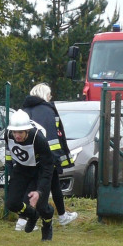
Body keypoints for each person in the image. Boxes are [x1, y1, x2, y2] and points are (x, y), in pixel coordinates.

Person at [19, 83, 76, 229]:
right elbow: (53, 135)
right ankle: (23, 220)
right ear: (45, 95)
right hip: (46, 156)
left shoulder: (24, 110)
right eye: (49, 94)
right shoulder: (47, 110)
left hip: (28, 156)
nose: (51, 97)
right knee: (39, 187)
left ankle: (62, 215)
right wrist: (55, 157)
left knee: (52, 184)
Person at [3, 109, 55, 241]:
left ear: (27, 130)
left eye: (20, 132)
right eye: (14, 132)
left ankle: (47, 224)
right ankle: (32, 215)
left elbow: (48, 167)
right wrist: (10, 171)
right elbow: (9, 154)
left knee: (41, 207)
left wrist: (39, 191)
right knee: (12, 203)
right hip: (22, 169)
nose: (17, 136)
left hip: (40, 170)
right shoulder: (8, 134)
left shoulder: (39, 139)